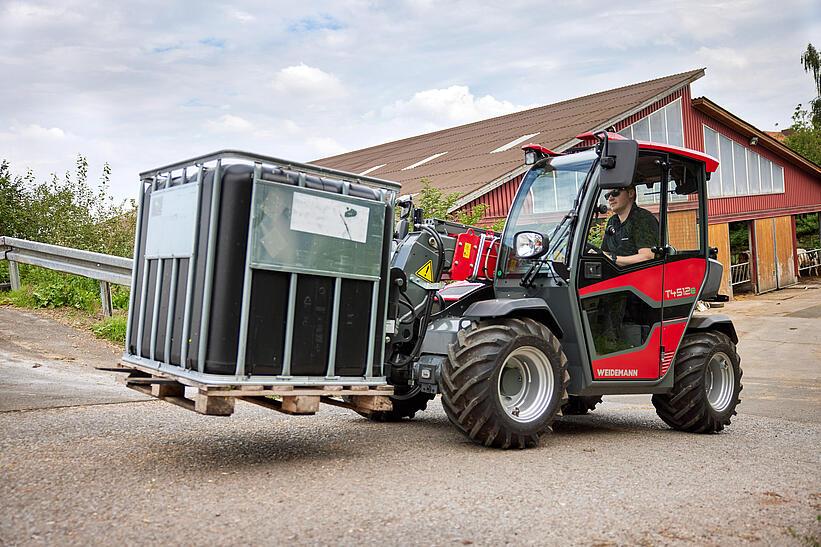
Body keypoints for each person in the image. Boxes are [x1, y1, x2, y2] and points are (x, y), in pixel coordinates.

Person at [600, 186, 659, 266]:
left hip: (639, 276)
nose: (610, 199)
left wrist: (613, 259)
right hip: (615, 275)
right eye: (607, 196)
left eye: (615, 192)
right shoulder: (612, 221)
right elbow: (605, 252)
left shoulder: (642, 218)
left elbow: (647, 257)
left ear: (630, 193)